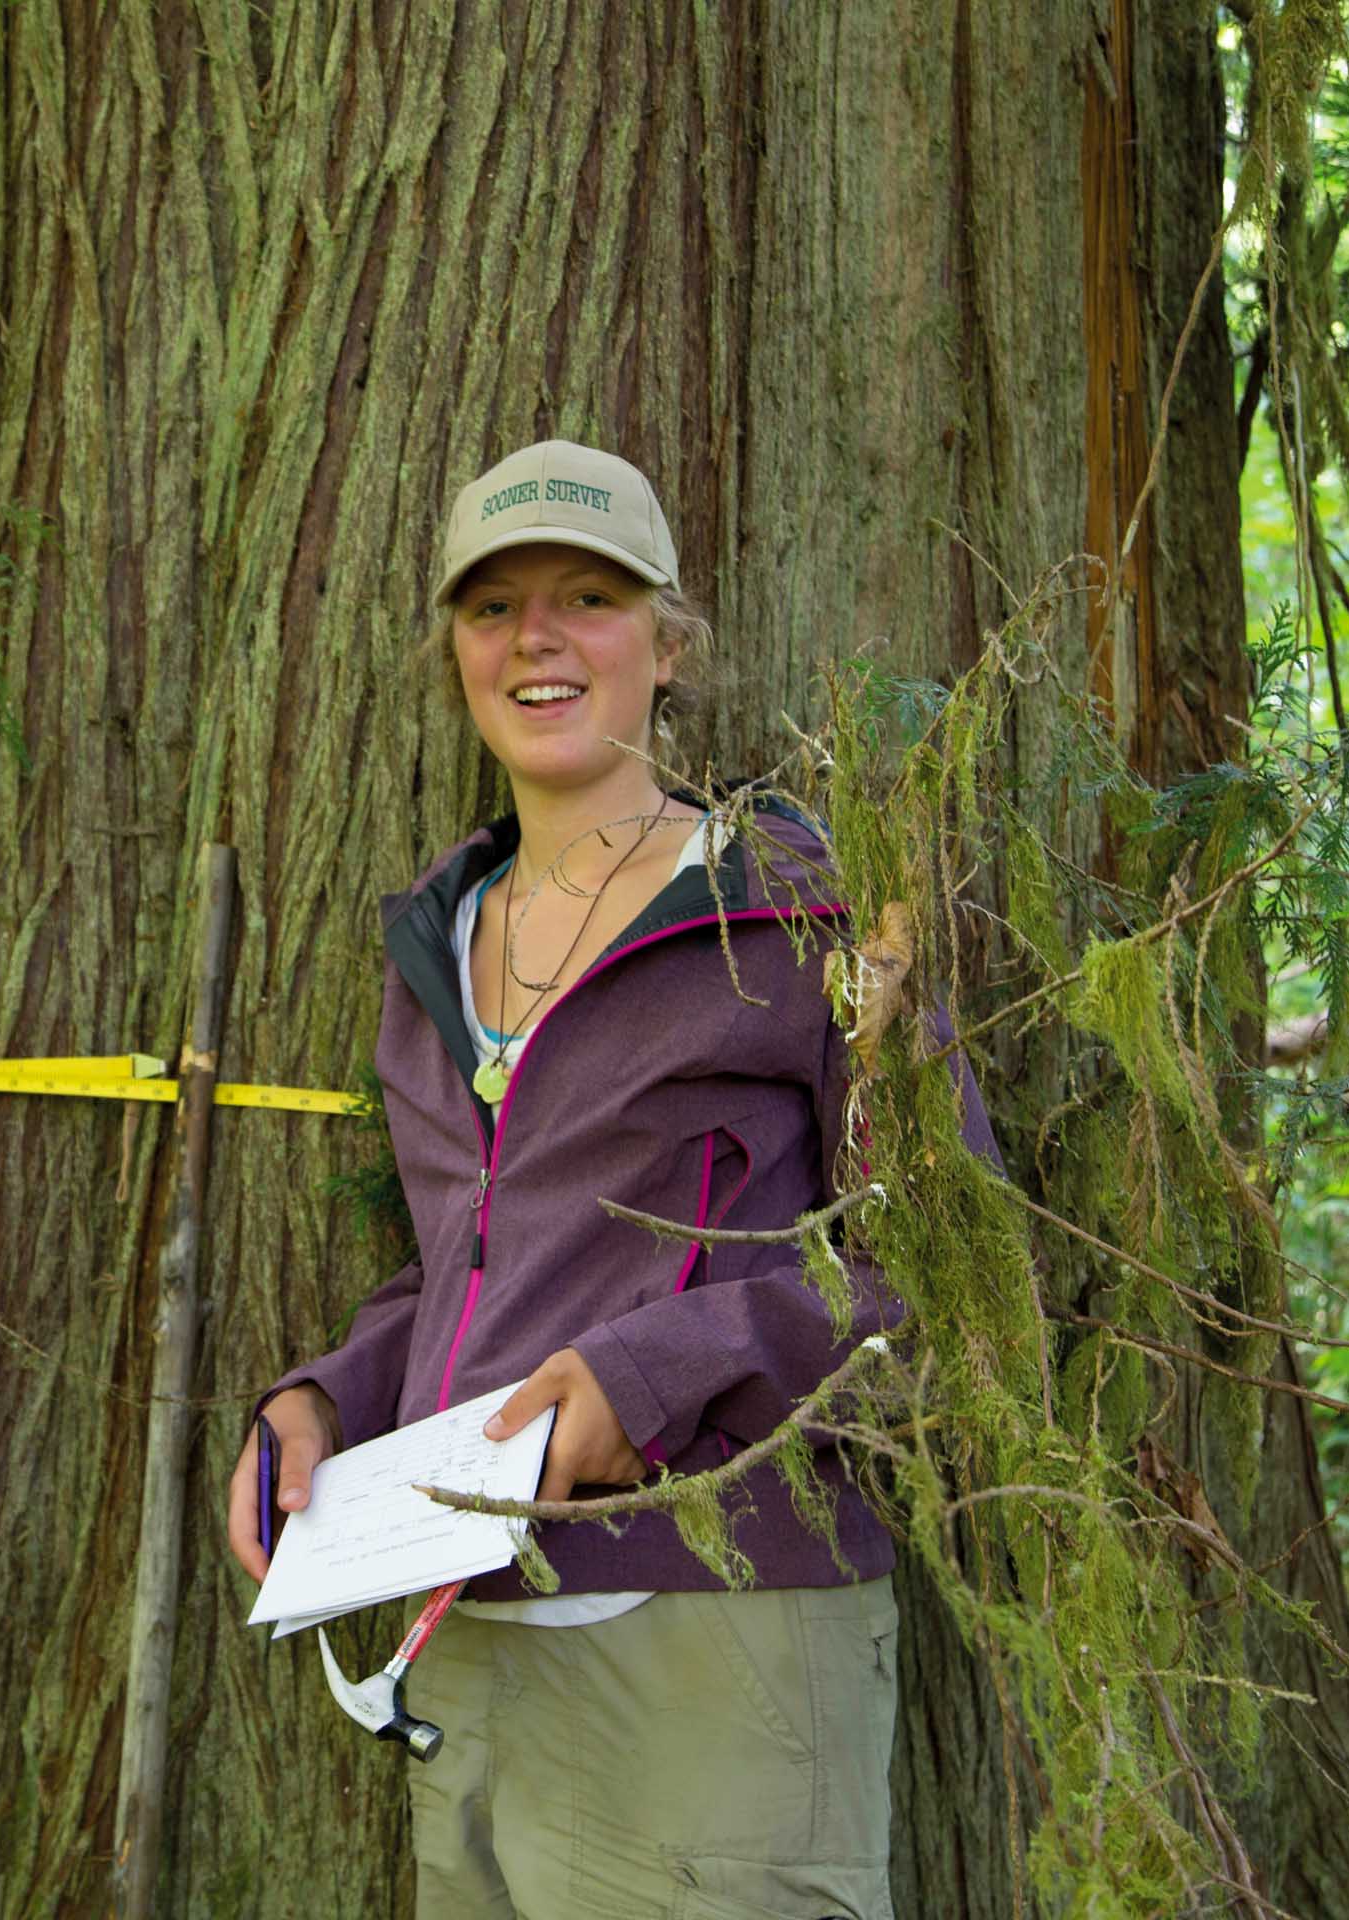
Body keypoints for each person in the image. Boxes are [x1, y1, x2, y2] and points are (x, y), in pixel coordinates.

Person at [226, 441, 998, 1920]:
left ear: (668, 646)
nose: (537, 638)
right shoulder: (437, 945)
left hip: (719, 1646)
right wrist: (328, 1399)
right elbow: (477, 1270)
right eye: (493, 605)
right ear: (454, 650)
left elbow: (953, 1271)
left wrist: (655, 1368)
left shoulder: (797, 911)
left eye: (589, 596)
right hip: (466, 1644)